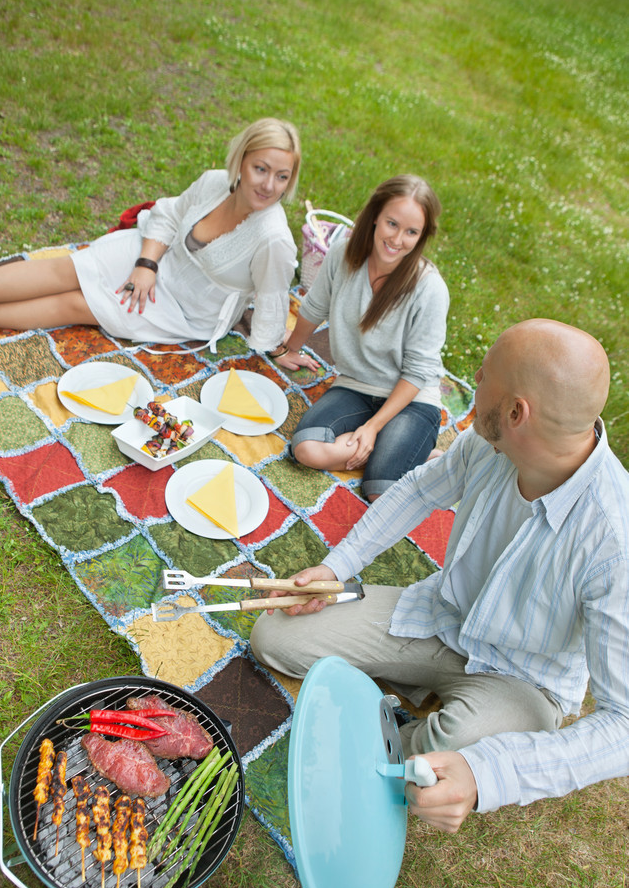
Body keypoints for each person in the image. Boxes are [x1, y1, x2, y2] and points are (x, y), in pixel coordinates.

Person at [250, 319, 629, 833]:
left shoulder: (614, 540)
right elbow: (417, 492)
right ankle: (401, 714)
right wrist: (335, 568)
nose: (474, 376)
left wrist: (488, 773)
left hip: (523, 681)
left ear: (517, 412)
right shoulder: (486, 442)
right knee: (274, 635)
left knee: (426, 769)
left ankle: (390, 756)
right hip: (441, 618)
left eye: (485, 374)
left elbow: (622, 727)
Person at [0, 118, 301, 355]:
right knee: (66, 269)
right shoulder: (213, 182)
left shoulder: (274, 238)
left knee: (77, 303)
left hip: (187, 308)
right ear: (241, 162)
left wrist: (277, 346)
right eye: (261, 169)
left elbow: (272, 298)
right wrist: (146, 264)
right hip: (159, 256)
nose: (269, 186)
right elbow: (167, 215)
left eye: (282, 177)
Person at [272, 175, 449, 501]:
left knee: (379, 492)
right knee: (305, 449)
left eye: (412, 232)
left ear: (422, 236)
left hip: (410, 400)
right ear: (375, 217)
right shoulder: (342, 254)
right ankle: (397, 453)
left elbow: (417, 372)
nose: (398, 239)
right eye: (392, 224)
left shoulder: (430, 288)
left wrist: (372, 428)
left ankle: (418, 456)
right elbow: (314, 306)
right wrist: (289, 348)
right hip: (356, 386)